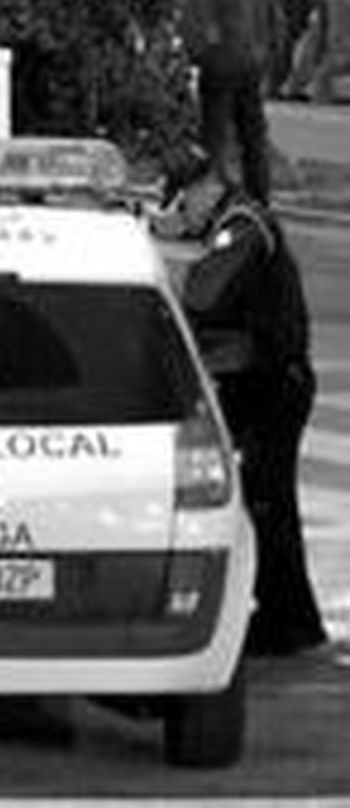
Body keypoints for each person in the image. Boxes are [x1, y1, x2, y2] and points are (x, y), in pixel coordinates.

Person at [163, 158, 328, 658]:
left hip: (273, 389)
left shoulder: (243, 228)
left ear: (206, 188)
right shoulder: (232, 223)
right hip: (254, 387)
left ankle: (293, 623)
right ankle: (281, 616)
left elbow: (203, 295)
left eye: (181, 201)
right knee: (259, 503)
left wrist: (167, 261)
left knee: (268, 505)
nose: (179, 214)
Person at [182, 0, 274, 203]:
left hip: (221, 60)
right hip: (253, 59)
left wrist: (196, 57)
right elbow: (273, 20)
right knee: (252, 133)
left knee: (214, 134)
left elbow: (200, 24)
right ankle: (259, 195)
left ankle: (215, 193)